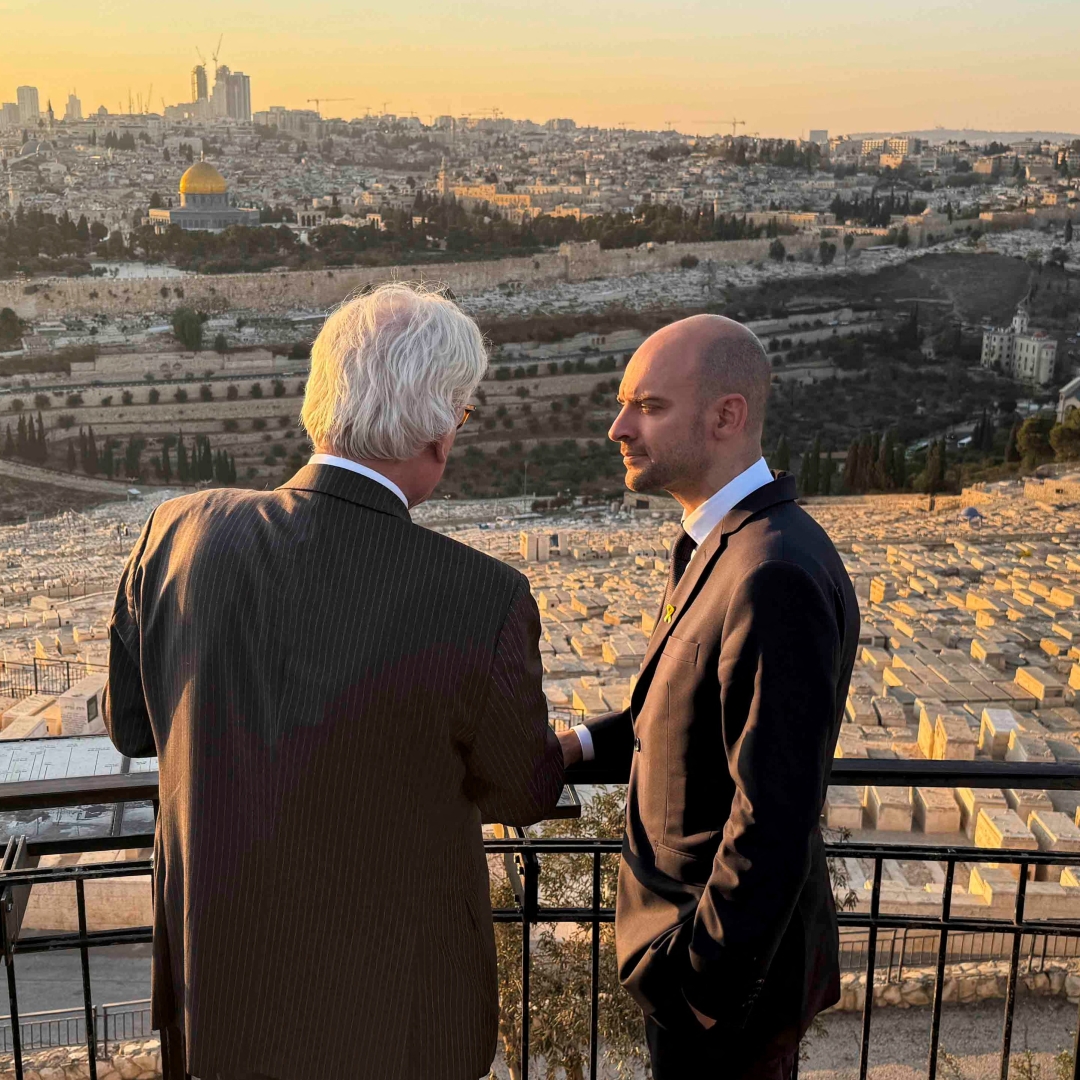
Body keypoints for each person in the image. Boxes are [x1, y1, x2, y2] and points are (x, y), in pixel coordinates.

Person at [103, 282, 565, 1080]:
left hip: (217, 999)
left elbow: (132, 728)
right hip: (399, 1021)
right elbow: (521, 792)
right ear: (438, 431)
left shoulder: (176, 534)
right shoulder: (480, 596)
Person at [560, 314, 859, 1080]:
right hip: (703, 975)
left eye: (649, 406)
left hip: (723, 996)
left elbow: (774, 813)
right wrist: (578, 748)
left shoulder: (772, 573)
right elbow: (678, 711)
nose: (617, 427)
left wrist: (701, 986)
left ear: (727, 415)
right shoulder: (724, 543)